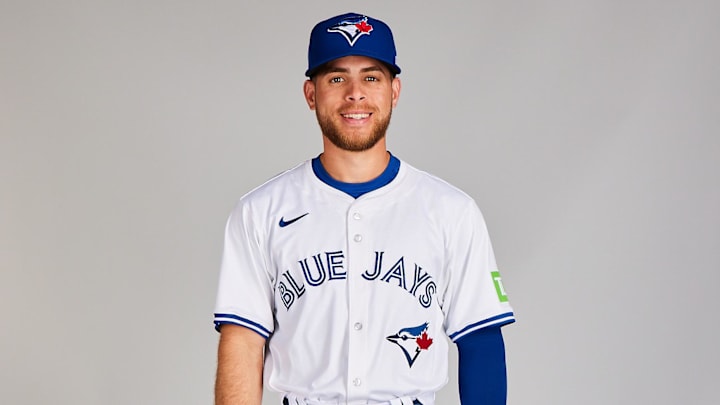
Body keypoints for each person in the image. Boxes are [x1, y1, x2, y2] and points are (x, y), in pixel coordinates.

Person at [213, 12, 515, 405]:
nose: (355, 93)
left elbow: (481, 340)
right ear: (311, 94)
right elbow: (243, 342)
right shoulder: (260, 211)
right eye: (337, 78)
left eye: (371, 77)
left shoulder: (451, 211)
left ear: (394, 91)